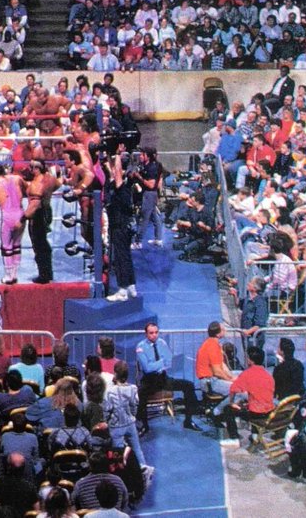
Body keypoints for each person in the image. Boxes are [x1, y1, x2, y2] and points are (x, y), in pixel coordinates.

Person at [135, 321, 201, 432]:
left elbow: (170, 361)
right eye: (151, 333)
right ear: (146, 334)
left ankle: (188, 421)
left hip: (163, 378)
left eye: (156, 332)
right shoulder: (140, 347)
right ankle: (144, 426)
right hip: (149, 380)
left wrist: (156, 364)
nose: (154, 335)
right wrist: (161, 362)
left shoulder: (162, 343)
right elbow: (147, 368)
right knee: (141, 394)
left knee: (188, 385)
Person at [218, 346, 274, 448]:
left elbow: (233, 389)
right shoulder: (268, 375)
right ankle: (255, 434)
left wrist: (232, 403)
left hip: (256, 414)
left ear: (251, 361)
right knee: (250, 403)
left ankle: (234, 438)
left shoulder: (247, 374)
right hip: (269, 411)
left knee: (228, 410)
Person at [0, 163, 27, 284]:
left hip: (8, 216)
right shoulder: (16, 178)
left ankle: (8, 276)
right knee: (17, 244)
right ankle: (14, 274)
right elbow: (26, 189)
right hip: (20, 213)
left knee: (6, 246)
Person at [104, 154, 137, 300]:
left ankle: (122, 290)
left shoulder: (123, 188)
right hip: (121, 226)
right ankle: (131, 285)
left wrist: (117, 154)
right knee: (126, 256)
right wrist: (111, 157)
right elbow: (113, 172)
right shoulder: (120, 186)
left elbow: (117, 173)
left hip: (120, 227)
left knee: (120, 258)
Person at [26, 160, 62, 284]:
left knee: (38, 243)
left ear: (36, 168)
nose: (29, 169)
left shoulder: (38, 183)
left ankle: (44, 274)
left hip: (38, 213)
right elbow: (58, 184)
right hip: (46, 210)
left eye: (31, 167)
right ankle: (47, 272)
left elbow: (35, 203)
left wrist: (24, 216)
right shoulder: (50, 179)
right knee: (43, 243)